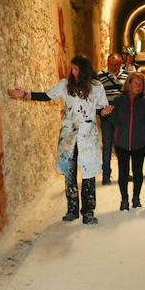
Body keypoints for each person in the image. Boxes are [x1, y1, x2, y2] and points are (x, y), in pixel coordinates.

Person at [7, 55, 112, 224]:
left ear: (83, 70)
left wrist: (104, 113)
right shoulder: (65, 85)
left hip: (87, 134)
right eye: (72, 68)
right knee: (69, 173)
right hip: (69, 135)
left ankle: (88, 211)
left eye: (76, 69)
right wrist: (24, 94)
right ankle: (72, 209)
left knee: (88, 174)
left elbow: (101, 109)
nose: (72, 72)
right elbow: (47, 96)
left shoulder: (96, 87)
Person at [109, 72, 145, 210]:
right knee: (123, 172)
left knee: (137, 171)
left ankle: (136, 198)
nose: (139, 86)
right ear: (128, 84)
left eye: (141, 84)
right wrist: (119, 129)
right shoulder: (118, 101)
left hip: (139, 142)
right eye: (135, 83)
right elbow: (112, 118)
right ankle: (124, 200)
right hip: (121, 142)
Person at [98, 53, 126, 184]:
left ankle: (124, 173)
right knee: (107, 145)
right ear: (107, 63)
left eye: (116, 65)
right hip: (107, 118)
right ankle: (106, 175)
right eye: (111, 64)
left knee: (123, 147)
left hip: (122, 118)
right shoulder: (100, 77)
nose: (114, 67)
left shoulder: (127, 75)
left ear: (121, 64)